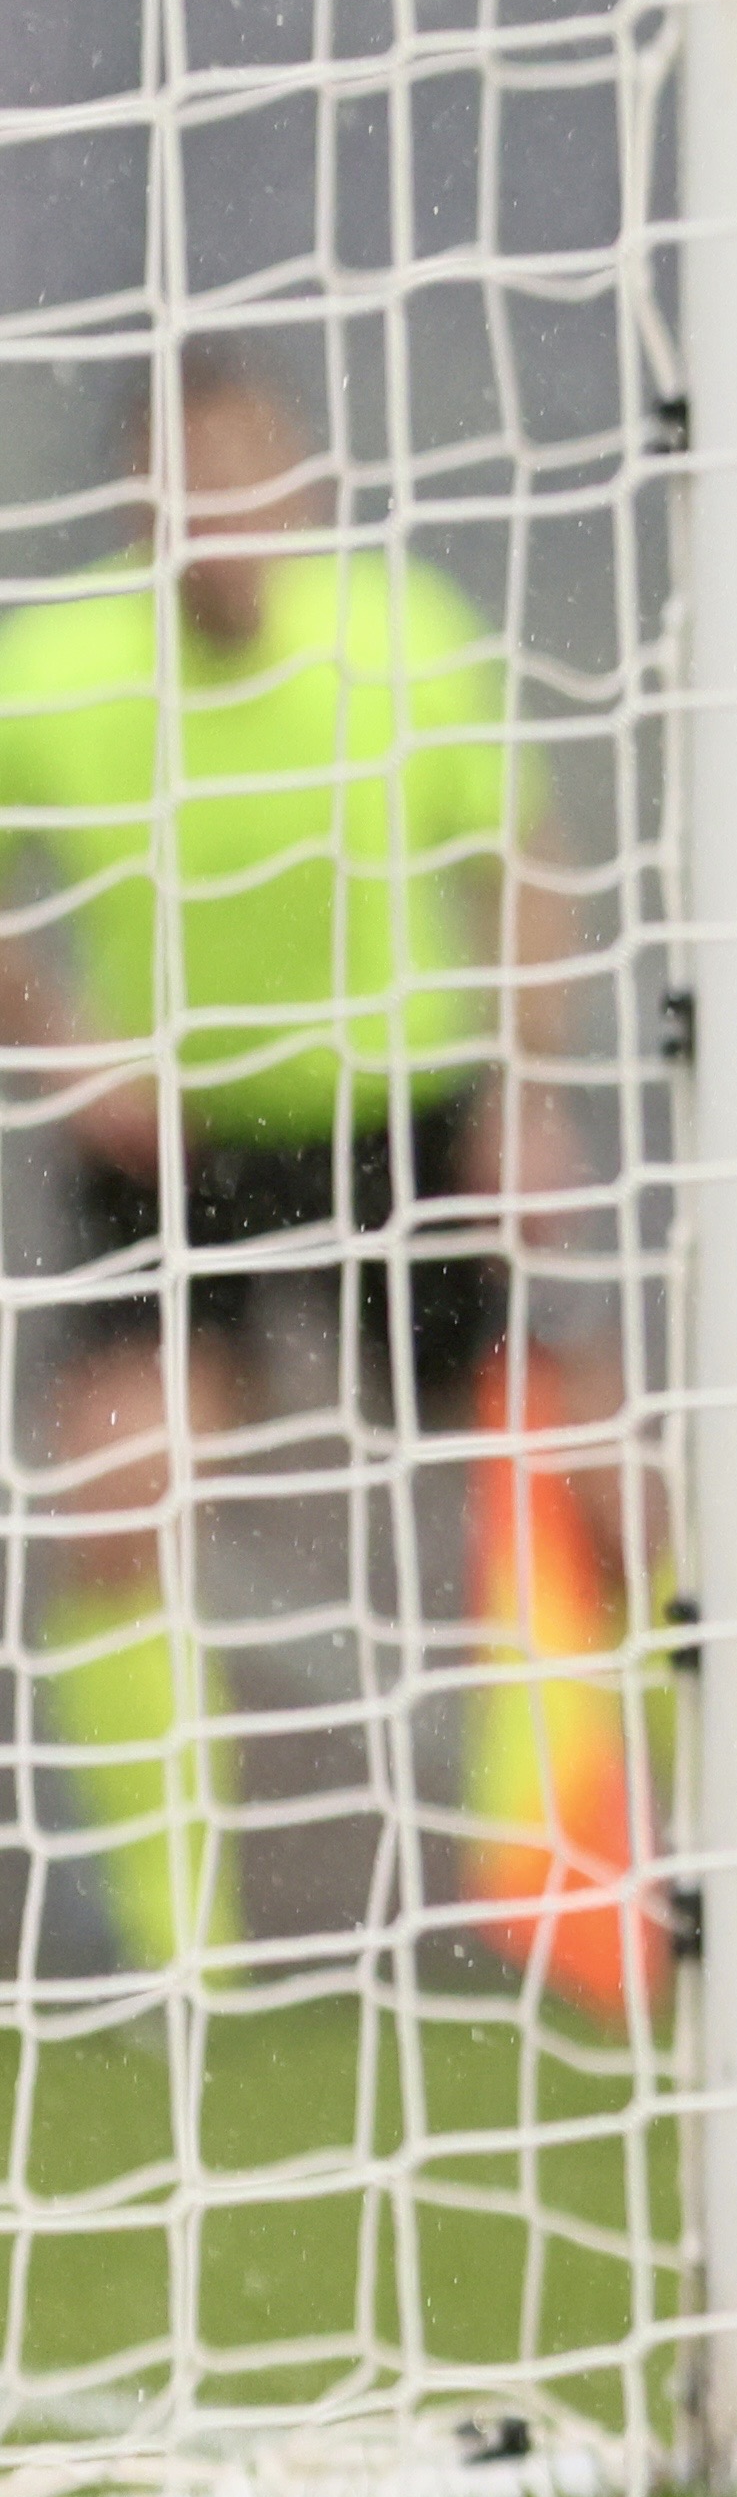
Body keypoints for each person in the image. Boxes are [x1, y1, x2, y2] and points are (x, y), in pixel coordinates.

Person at [0, 342, 580, 1979]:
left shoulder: (408, 637)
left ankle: (570, 1894)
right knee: (116, 1483)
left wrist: (529, 1092)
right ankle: (180, 1962)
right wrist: (58, 1040)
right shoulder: (55, 669)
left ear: (306, 485)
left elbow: (520, 856)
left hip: (404, 1114)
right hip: (181, 1140)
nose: (227, 517)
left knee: (576, 1464)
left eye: (253, 477)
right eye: (190, 487)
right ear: (139, 509)